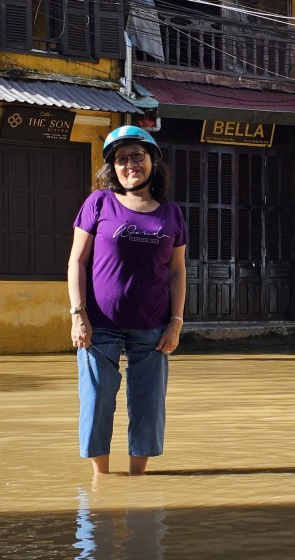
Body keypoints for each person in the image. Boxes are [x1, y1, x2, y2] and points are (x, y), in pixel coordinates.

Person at [67, 125, 188, 476]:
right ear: (112, 168)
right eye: (121, 159)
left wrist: (176, 322)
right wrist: (78, 314)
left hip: (153, 326)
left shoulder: (171, 213)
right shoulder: (98, 203)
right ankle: (100, 481)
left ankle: (138, 480)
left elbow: (177, 271)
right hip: (99, 325)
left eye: (138, 156)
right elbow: (77, 260)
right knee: (96, 402)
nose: (130, 164)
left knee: (148, 405)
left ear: (152, 162)